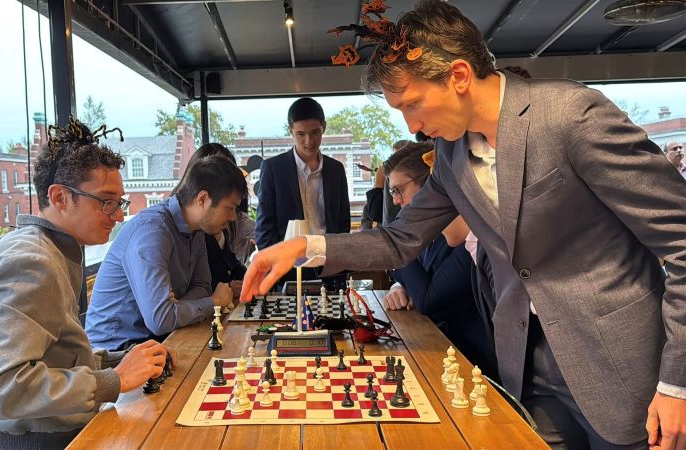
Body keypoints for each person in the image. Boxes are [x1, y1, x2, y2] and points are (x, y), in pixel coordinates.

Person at [243, 1, 686, 449]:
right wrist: (307, 247)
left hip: (621, 367)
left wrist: (676, 382)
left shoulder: (571, 115)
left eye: (412, 104)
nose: (413, 126)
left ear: (458, 76)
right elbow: (400, 239)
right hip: (526, 366)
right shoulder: (451, 156)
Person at [0, 117, 172, 449]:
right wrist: (114, 380)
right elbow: (0, 388)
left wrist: (121, 360)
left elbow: (48, 359)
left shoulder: (49, 250)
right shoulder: (31, 262)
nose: (118, 215)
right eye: (107, 202)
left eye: (120, 203)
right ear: (59, 197)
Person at [86, 155, 246, 350]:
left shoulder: (197, 230)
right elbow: (160, 320)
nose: (232, 217)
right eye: (230, 208)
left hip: (159, 341)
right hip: (115, 352)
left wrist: (175, 308)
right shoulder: (153, 231)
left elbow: (202, 286)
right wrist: (215, 301)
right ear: (203, 199)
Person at [380, 144, 497, 377]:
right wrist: (399, 285)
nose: (395, 201)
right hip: (440, 348)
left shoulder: (467, 237)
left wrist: (397, 248)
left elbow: (428, 299)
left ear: (430, 186)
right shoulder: (440, 234)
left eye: (398, 190)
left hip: (476, 362)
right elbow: (419, 277)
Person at [255, 97, 351, 288]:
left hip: (329, 266)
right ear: (290, 130)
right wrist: (277, 265)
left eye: (315, 132)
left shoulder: (336, 169)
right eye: (301, 134)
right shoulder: (274, 168)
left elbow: (342, 223)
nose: (309, 141)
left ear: (324, 127)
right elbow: (264, 227)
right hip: (288, 269)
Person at [179, 143, 249, 290]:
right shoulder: (193, 225)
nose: (232, 217)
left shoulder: (213, 223)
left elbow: (203, 286)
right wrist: (220, 294)